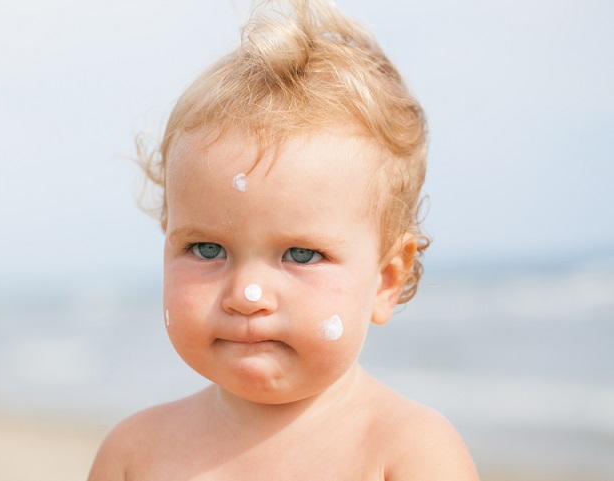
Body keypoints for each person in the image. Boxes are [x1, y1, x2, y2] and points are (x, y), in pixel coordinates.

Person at [88, 0, 479, 479]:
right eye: (207, 249)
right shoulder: (134, 455)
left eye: (301, 254)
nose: (247, 296)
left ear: (386, 281)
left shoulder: (408, 454)